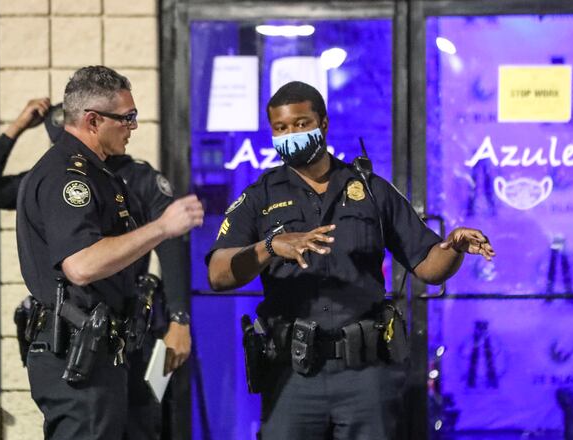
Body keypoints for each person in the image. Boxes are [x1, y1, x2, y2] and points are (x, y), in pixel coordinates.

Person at [206, 81, 495, 439]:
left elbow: (428, 266)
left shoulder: (371, 190)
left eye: (300, 124)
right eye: (280, 128)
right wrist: (270, 246)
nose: (290, 134)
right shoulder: (259, 196)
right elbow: (218, 274)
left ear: (323, 124)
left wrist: (453, 247)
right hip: (291, 374)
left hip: (365, 373)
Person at [0, 97, 192, 439]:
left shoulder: (136, 177)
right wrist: (15, 128)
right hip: (78, 335)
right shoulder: (53, 178)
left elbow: (171, 244)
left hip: (134, 331)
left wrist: (179, 320)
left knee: (142, 425)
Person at [15, 66, 203, 440]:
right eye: (127, 118)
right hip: (78, 356)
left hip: (106, 352)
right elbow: (82, 265)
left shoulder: (100, 173)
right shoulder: (68, 177)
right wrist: (162, 227)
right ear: (93, 120)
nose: (133, 126)